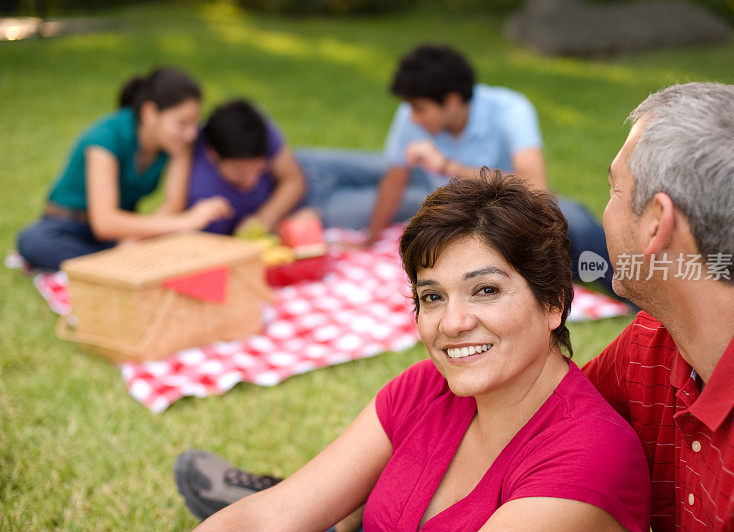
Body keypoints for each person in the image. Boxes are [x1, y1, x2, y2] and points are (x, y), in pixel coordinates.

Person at [176, 171, 652, 531]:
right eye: (432, 297)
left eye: (485, 290)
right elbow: (275, 514)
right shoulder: (426, 388)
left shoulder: (590, 457)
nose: (452, 323)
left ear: (552, 302)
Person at [582, 82, 734, 529]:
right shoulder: (654, 339)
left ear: (657, 224)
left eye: (614, 190)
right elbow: (539, 410)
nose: (606, 211)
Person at [295, 44, 614, 292]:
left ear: (451, 101)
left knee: (575, 221)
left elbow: (536, 186)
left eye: (420, 109)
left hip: (508, 206)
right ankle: (292, 178)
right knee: (351, 168)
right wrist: (370, 238)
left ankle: (625, 287)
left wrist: (447, 165)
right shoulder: (411, 117)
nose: (413, 118)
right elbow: (394, 179)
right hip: (443, 201)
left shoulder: (509, 110)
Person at [16, 67, 231, 271]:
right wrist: (184, 222)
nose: (191, 133)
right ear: (150, 114)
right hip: (69, 227)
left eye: (194, 123)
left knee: (176, 244)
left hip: (122, 233)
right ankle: (115, 264)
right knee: (33, 240)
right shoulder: (105, 138)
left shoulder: (178, 143)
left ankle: (114, 263)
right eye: (182, 123)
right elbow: (105, 222)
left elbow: (174, 204)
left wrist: (135, 239)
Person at [185, 99, 306, 235]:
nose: (252, 181)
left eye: (259, 170)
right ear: (212, 154)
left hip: (305, 167)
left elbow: (293, 179)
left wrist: (265, 218)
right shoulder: (202, 190)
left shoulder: (252, 129)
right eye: (240, 172)